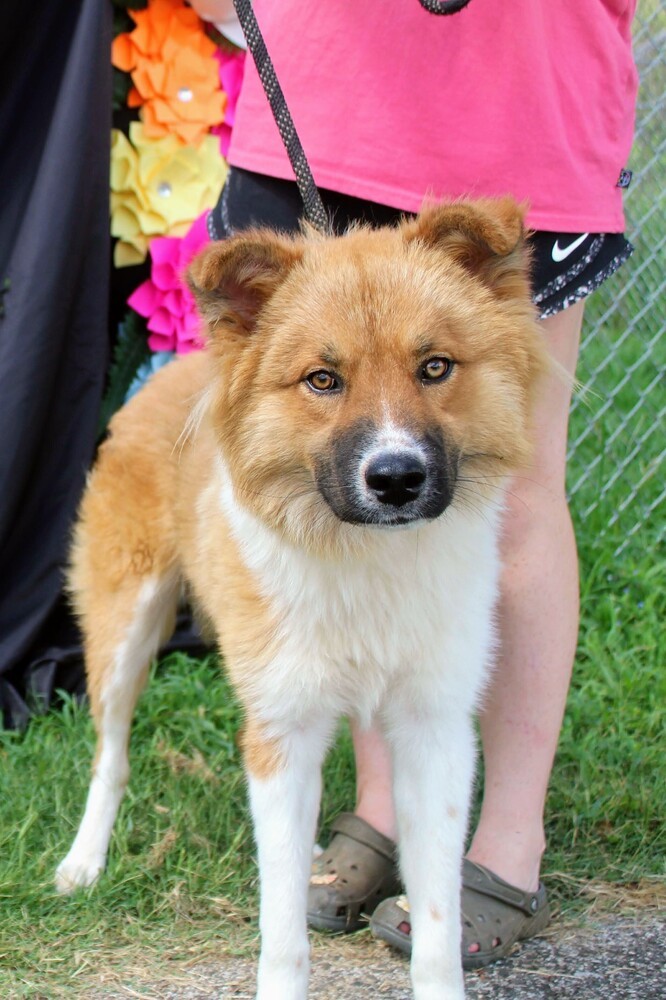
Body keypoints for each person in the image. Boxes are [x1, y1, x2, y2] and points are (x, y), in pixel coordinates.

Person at [192, 0, 638, 967]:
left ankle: (508, 840)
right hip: (317, 94)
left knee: (512, 490)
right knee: (339, 498)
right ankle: (385, 810)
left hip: (520, 102)